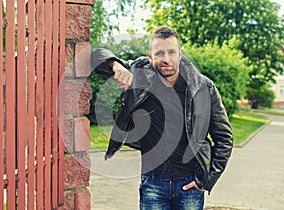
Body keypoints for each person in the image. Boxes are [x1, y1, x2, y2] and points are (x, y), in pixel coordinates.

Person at [91, 26, 233, 210]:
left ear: (180, 54)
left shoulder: (204, 88)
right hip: (152, 183)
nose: (166, 59)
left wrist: (207, 180)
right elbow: (97, 56)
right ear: (150, 57)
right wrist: (116, 66)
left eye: (171, 52)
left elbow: (224, 138)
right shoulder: (139, 76)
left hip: (190, 184)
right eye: (159, 53)